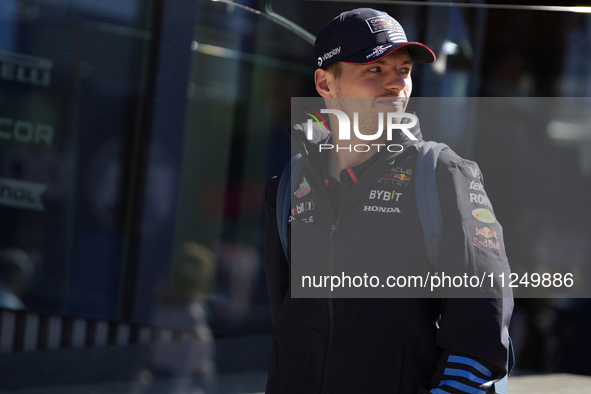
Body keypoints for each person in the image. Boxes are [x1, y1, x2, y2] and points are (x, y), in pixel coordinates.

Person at [264, 8, 513, 394]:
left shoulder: (444, 174)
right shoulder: (289, 187)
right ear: (325, 83)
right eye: (375, 70)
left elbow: (481, 328)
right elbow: (288, 330)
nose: (397, 84)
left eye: (404, 70)